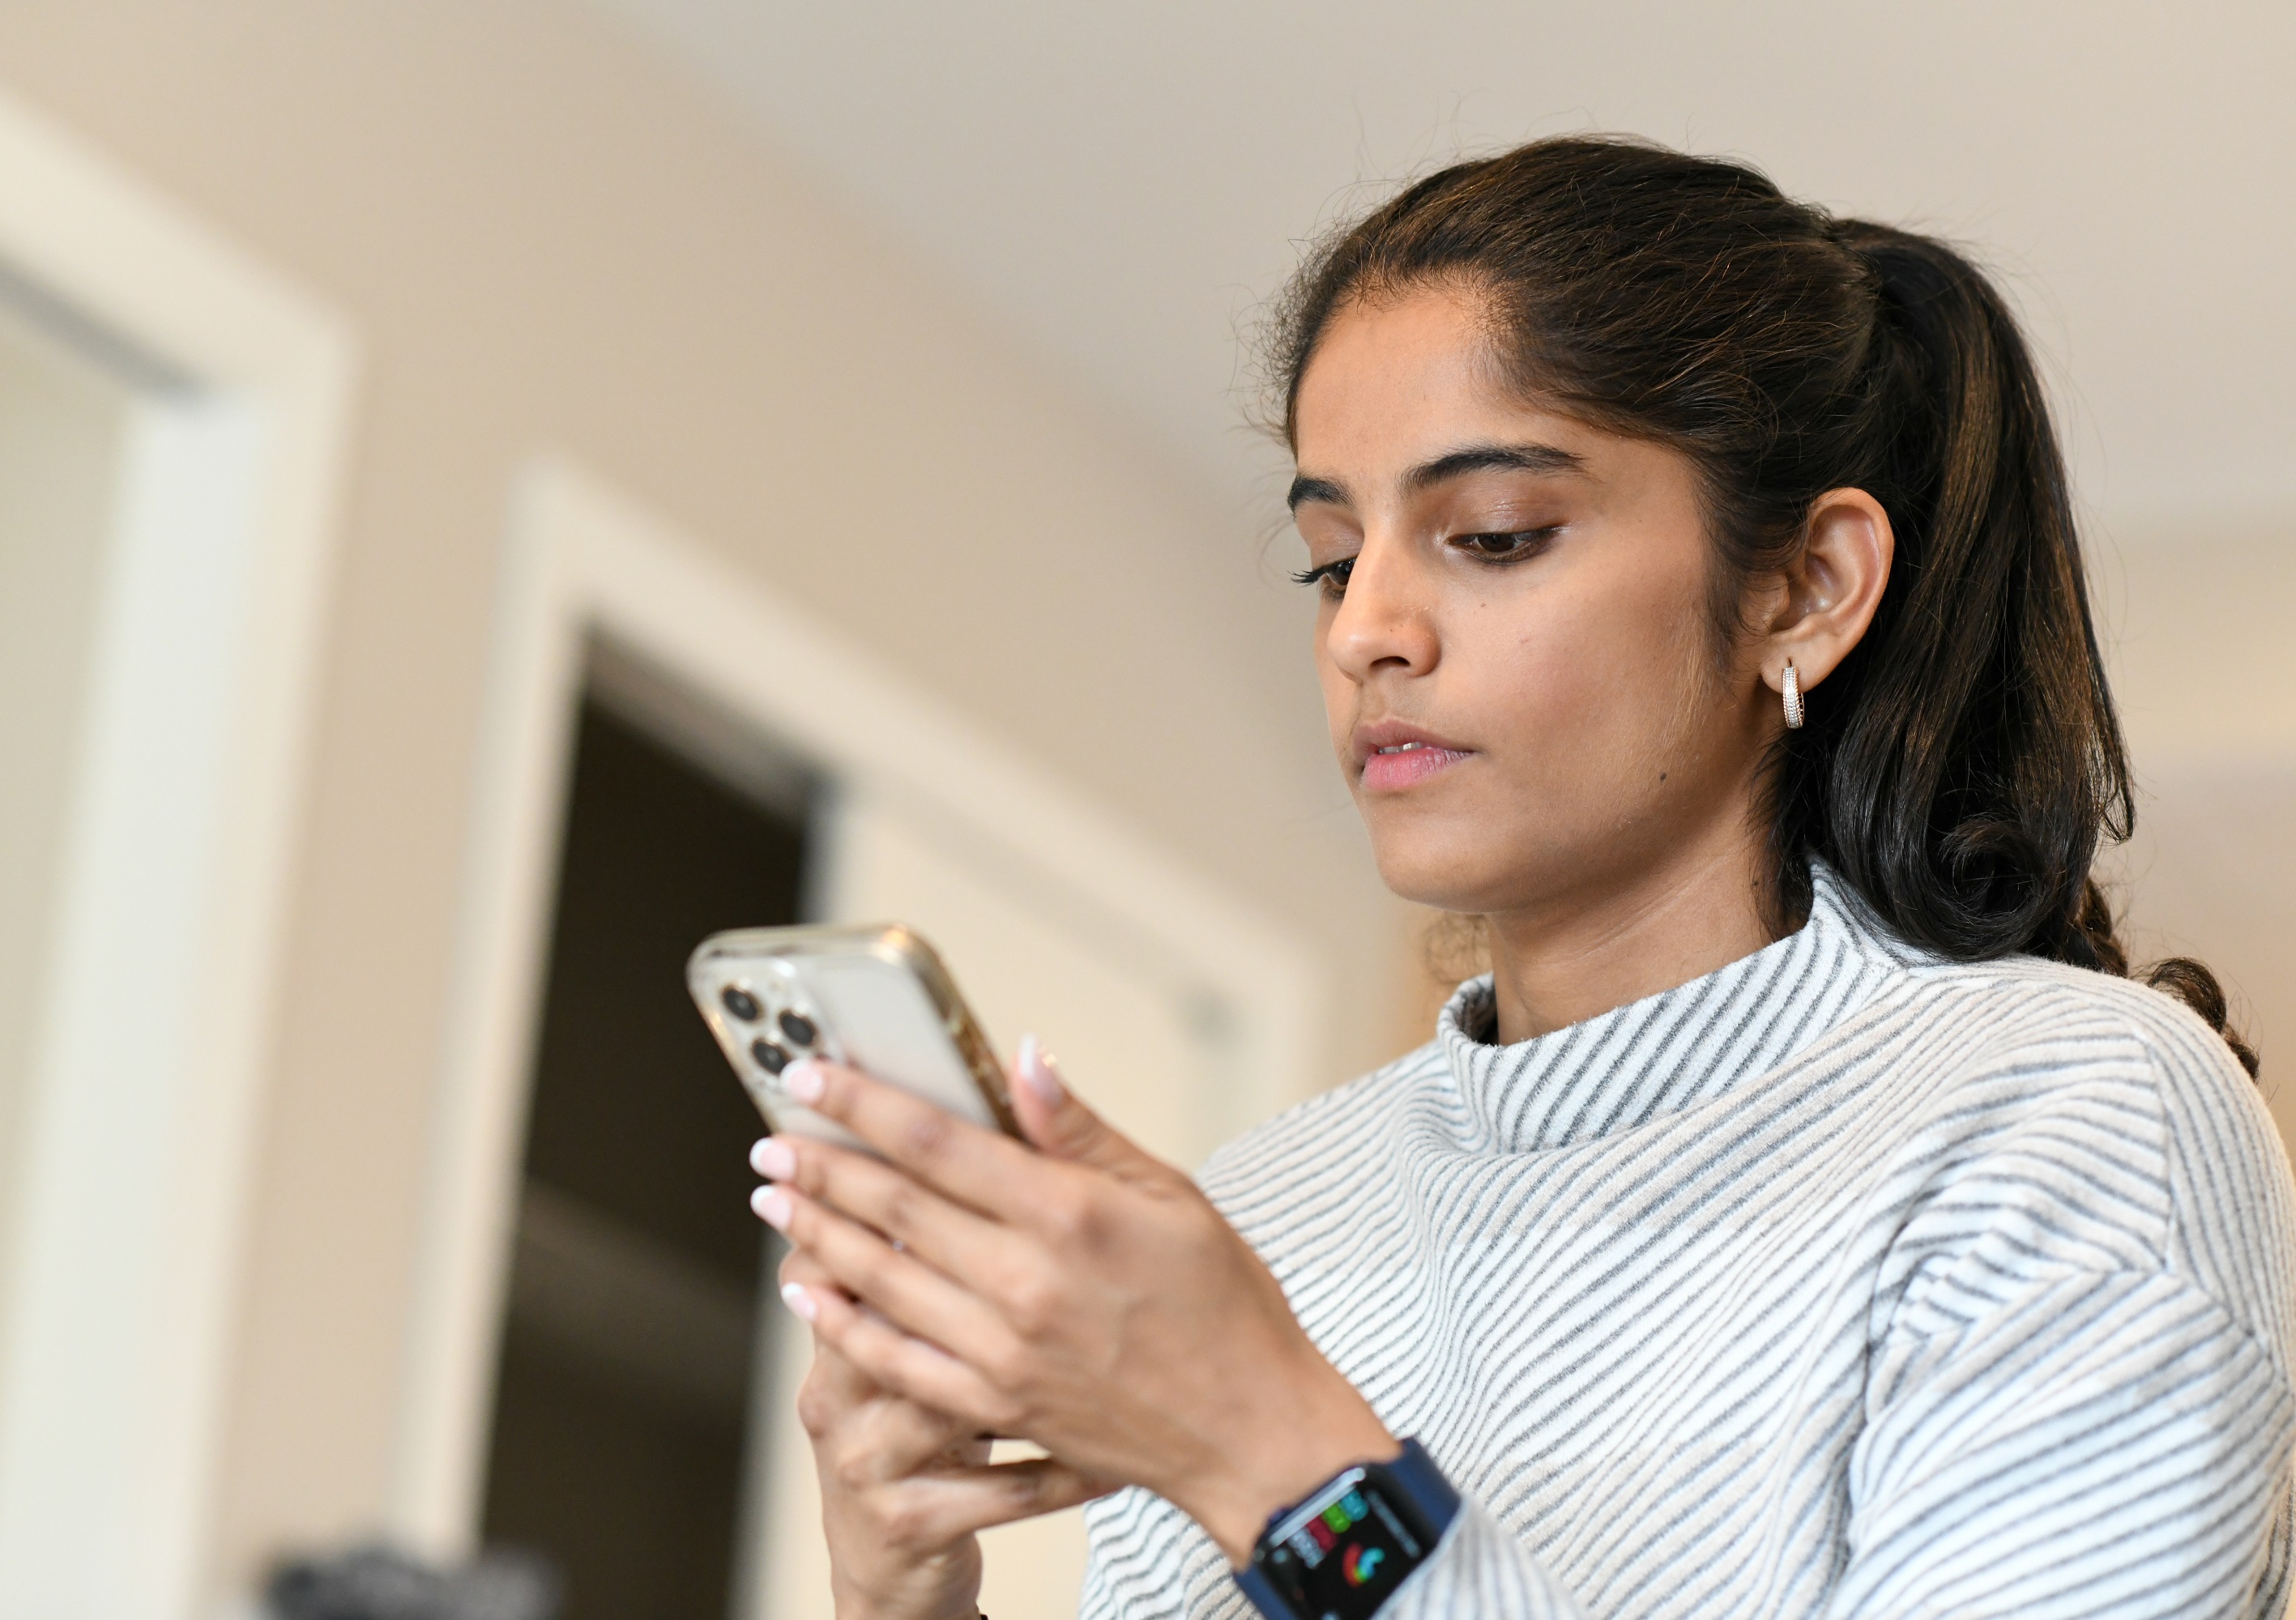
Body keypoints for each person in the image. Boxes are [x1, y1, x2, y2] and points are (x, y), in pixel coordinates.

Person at [740, 136, 2294, 1619]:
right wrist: (898, 1590)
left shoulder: (2066, 1125)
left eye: (1490, 535)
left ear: (1806, 590)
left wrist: (1266, 1452)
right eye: (1333, 559)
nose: (1365, 632)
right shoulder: (1270, 1215)